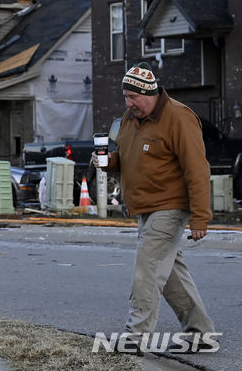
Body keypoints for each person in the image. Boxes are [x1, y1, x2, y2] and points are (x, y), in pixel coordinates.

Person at [93, 62, 216, 353]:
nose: (128, 103)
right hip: (145, 208)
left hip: (170, 206)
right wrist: (107, 162)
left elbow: (197, 170)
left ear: (150, 93)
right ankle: (202, 334)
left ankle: (136, 338)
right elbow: (125, 156)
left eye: (133, 97)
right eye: (125, 97)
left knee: (146, 269)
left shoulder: (179, 117)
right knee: (172, 276)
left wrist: (200, 217)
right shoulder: (129, 118)